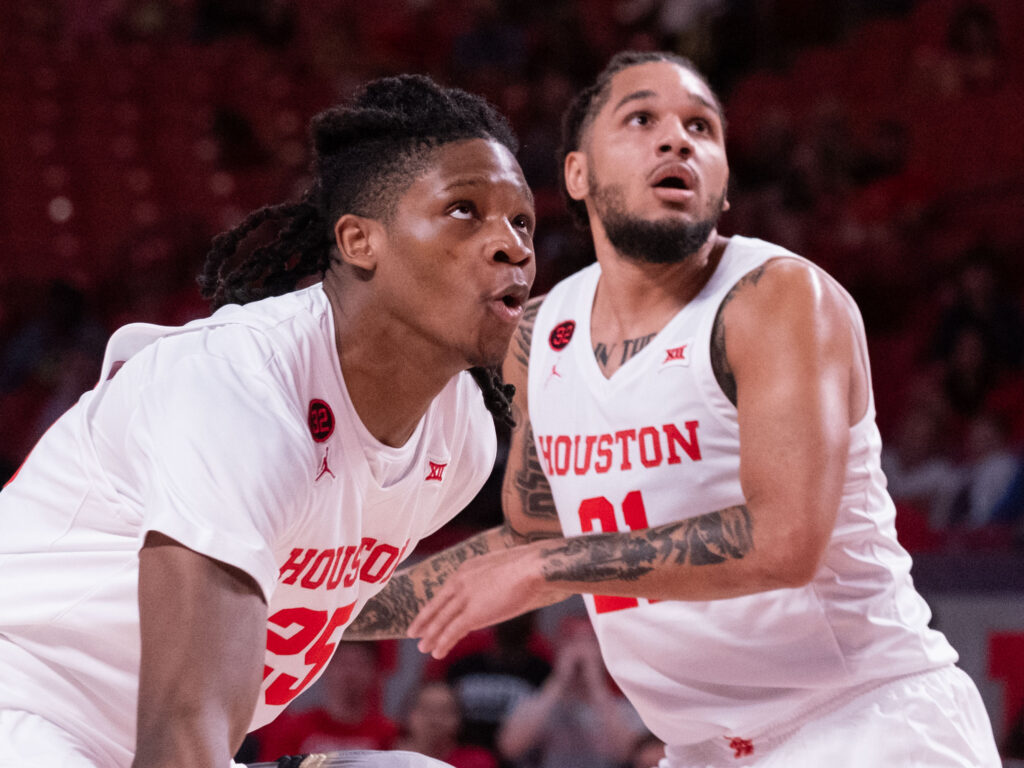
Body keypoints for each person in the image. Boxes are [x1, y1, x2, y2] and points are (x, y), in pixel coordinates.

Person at [344, 52, 1001, 767]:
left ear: (723, 185)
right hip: (699, 749)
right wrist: (328, 615)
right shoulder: (539, 336)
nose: (677, 139)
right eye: (641, 119)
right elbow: (530, 543)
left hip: (865, 724)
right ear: (577, 175)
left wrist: (548, 567)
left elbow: (782, 541)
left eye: (701, 127)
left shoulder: (775, 299)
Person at [0, 73, 536, 768]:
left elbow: (309, 590)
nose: (512, 245)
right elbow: (181, 737)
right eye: (465, 210)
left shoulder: (460, 440)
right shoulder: (238, 388)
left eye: (522, 222)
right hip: (27, 713)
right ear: (359, 241)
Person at [495, 615, 645, 768]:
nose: (580, 650)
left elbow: (630, 753)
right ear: (557, 647)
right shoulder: (533, 701)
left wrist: (596, 683)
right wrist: (559, 680)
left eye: (589, 641)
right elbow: (510, 749)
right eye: (571, 640)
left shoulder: (624, 707)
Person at [393, 681, 498, 768]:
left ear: (459, 720)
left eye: (444, 711)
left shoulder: (477, 761)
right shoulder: (388, 756)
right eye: (426, 710)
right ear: (408, 714)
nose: (435, 720)